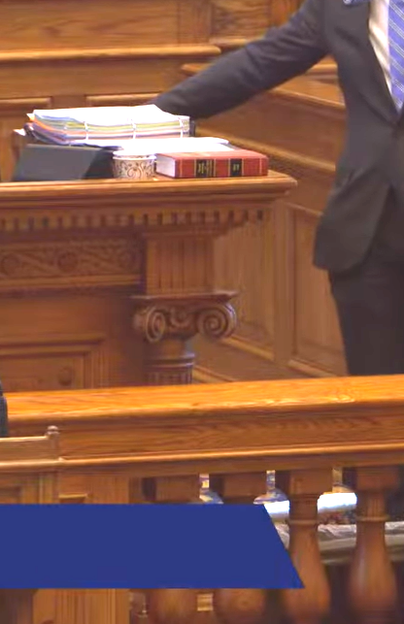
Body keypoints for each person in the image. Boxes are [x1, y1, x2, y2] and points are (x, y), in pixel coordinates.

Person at [152, 0, 404, 510]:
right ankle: (385, 550)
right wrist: (148, 117)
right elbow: (259, 62)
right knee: (378, 414)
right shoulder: (340, 7)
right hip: (370, 224)